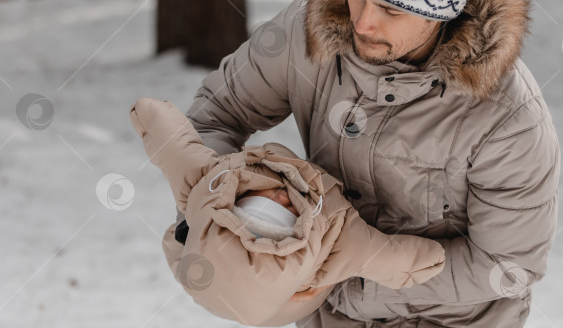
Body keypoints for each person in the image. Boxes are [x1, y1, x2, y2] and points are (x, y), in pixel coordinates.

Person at [183, 0, 561, 327]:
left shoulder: (507, 114)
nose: (362, 22)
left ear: (442, 12)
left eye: (389, 9)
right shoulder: (308, 31)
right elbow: (216, 115)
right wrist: (229, 210)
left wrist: (350, 274)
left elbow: (508, 267)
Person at [130, 97, 446, 327]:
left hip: (220, 281)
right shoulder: (340, 240)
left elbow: (174, 146)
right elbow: (387, 258)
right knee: (204, 270)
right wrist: (420, 260)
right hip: (288, 305)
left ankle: (189, 239)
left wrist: (150, 120)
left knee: (189, 256)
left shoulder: (209, 182)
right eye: (287, 213)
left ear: (237, 204)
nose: (283, 196)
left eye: (264, 201)